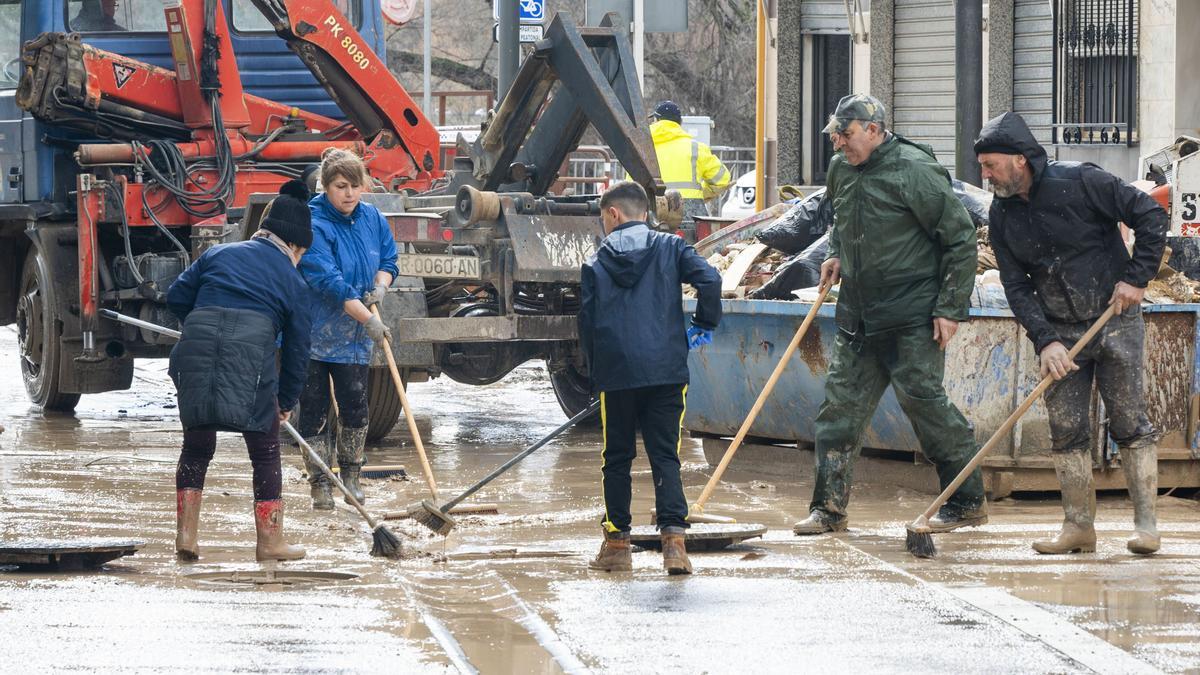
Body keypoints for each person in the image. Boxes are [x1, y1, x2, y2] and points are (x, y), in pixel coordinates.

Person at [793, 94, 986, 536]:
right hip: (859, 314)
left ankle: (967, 500)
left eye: (846, 135)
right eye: (835, 136)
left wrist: (950, 308)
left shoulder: (914, 170)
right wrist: (838, 253)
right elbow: (843, 218)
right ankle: (828, 509)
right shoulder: (842, 169)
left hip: (913, 315)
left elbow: (960, 240)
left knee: (925, 406)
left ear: (874, 131)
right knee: (838, 410)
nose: (839, 144)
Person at [976, 112, 1168, 555]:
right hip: (1060, 331)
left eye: (991, 165)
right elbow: (1016, 285)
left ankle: (1146, 526)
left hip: (1114, 318)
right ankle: (1078, 525)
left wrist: (1138, 277)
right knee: (1066, 428)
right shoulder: (1003, 215)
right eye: (983, 167)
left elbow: (1149, 216)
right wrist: (1045, 340)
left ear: (1020, 160)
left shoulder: (1082, 181)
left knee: (1129, 422)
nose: (984, 175)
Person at [577, 180, 722, 575]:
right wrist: (704, 323)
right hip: (666, 371)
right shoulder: (671, 247)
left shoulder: (596, 262)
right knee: (665, 455)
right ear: (643, 213)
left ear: (613, 214)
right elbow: (710, 280)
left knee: (617, 458)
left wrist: (596, 375)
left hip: (617, 375)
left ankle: (616, 545)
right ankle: (674, 545)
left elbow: (586, 326)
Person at [167, 181, 313, 562]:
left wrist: (204, 326)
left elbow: (176, 297)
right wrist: (285, 400)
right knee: (264, 452)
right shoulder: (294, 281)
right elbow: (299, 351)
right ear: (296, 247)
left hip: (194, 350)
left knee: (196, 447)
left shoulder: (219, 254)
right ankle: (270, 542)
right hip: (251, 359)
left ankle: (187, 537)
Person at [296, 148, 397, 510]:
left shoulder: (371, 217)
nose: (350, 194)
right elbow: (331, 283)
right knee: (314, 408)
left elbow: (389, 258)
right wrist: (369, 319)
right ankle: (320, 482)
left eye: (356, 186)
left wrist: (382, 285)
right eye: (341, 186)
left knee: (356, 404)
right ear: (325, 185)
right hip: (313, 331)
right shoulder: (313, 222)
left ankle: (352, 475)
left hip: (352, 337)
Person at [648, 101, 731, 231]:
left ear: (655, 120)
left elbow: (632, 187)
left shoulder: (644, 150)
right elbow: (722, 180)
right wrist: (702, 193)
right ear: (680, 122)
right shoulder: (696, 148)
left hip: (654, 217)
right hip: (691, 217)